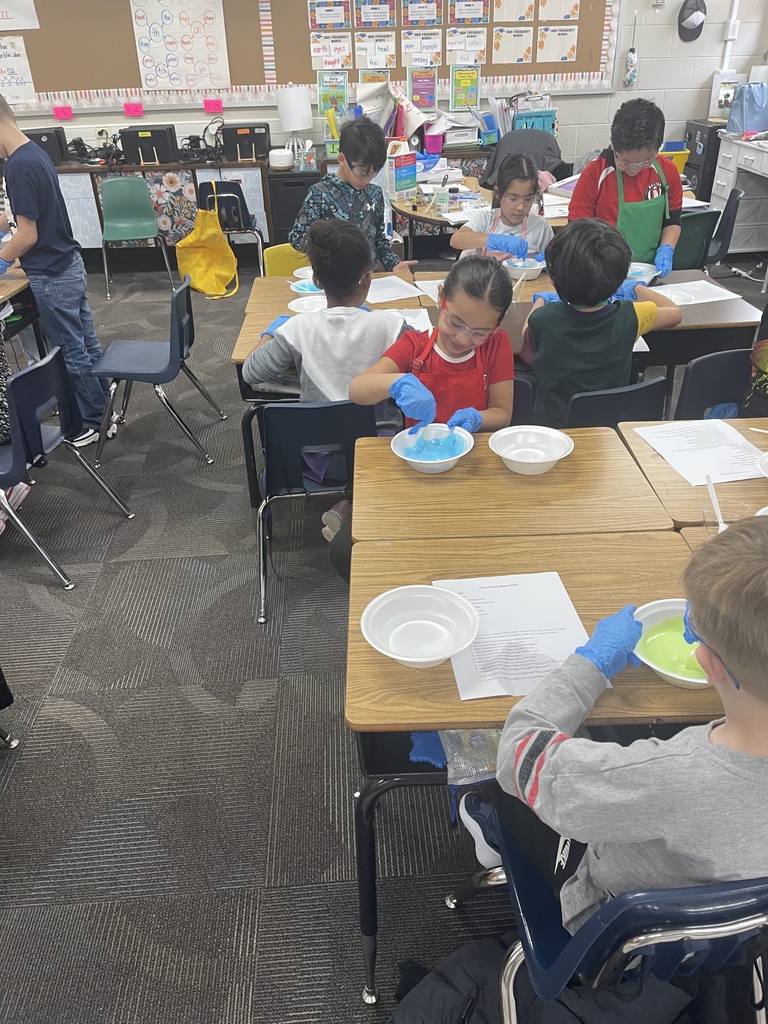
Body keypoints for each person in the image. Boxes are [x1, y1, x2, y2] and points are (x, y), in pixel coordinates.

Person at [459, 517, 768, 1020]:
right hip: (736, 933)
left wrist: (592, 662)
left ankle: (484, 829)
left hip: (612, 929)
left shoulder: (667, 774)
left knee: (495, 790)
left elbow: (519, 753)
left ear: (708, 662)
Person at [245, 220, 407, 543]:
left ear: (316, 280)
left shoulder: (298, 330)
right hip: (382, 456)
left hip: (311, 465)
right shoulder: (392, 326)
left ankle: (348, 508)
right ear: (367, 280)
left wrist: (269, 334)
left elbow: (251, 373)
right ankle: (356, 507)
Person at [0, 94, 112, 447]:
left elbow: (28, 235)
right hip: (69, 264)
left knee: (71, 352)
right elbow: (29, 218)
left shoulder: (16, 166)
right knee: (87, 345)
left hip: (50, 273)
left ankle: (93, 421)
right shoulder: (34, 152)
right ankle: (105, 411)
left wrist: (2, 259)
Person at [520, 218, 681, 428]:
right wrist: (635, 289)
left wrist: (540, 300)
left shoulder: (543, 318)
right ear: (620, 276)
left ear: (553, 278)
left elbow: (526, 339)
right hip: (608, 428)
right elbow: (675, 312)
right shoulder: (632, 315)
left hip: (553, 429)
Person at [349, 255, 515, 433]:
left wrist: (478, 418)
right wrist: (398, 382)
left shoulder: (496, 344)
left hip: (473, 451)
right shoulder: (414, 346)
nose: (462, 339)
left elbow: (502, 412)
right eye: (455, 323)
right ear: (441, 297)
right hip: (419, 452)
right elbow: (357, 389)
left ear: (496, 324)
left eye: (479, 333)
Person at [288, 115, 416, 278]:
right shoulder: (320, 194)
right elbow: (296, 237)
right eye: (362, 172)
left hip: (366, 281)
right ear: (342, 159)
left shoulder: (374, 194)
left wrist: (395, 264)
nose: (367, 179)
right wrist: (325, 247)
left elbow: (379, 243)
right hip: (333, 283)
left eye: (373, 173)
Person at [568, 98, 683, 277]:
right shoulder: (595, 174)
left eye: (645, 161)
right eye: (625, 161)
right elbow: (577, 231)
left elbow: (672, 222)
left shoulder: (667, 172)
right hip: (603, 274)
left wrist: (666, 250)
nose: (634, 169)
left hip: (650, 271)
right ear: (613, 144)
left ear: (657, 149)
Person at [449, 153, 554, 262]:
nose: (520, 207)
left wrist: (548, 261)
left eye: (528, 199)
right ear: (499, 194)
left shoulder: (540, 227)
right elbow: (456, 239)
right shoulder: (486, 220)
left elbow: (557, 259)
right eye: (513, 199)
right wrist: (496, 241)